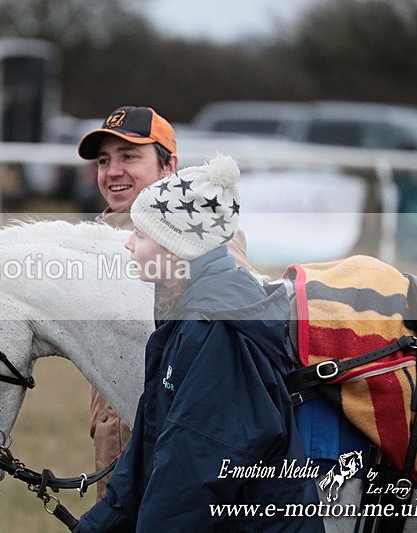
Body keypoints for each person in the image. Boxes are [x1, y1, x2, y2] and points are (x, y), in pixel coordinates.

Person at [74, 154, 322, 531]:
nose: (127, 243)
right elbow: (148, 451)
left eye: (140, 234)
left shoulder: (218, 333)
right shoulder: (182, 318)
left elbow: (190, 478)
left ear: (175, 252)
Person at [76, 106, 255, 499]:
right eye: (104, 160)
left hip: (180, 443)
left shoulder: (206, 233)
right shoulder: (91, 241)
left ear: (168, 166)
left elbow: (230, 304)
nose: (113, 171)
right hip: (112, 438)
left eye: (129, 156)